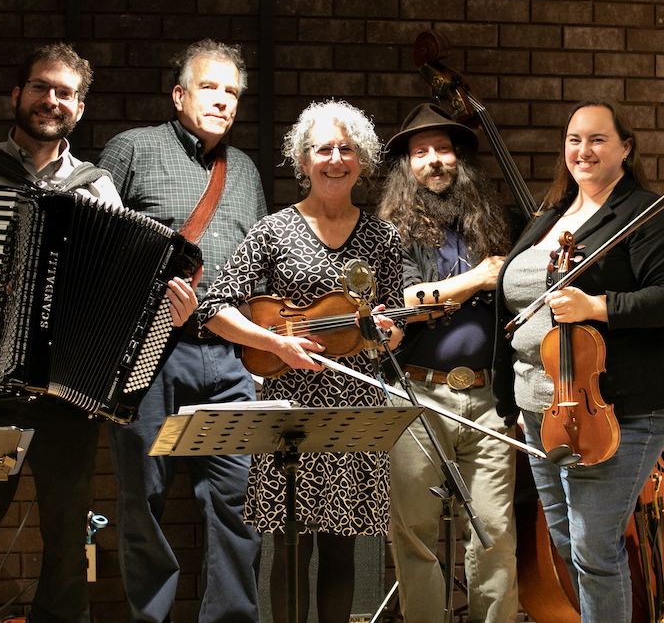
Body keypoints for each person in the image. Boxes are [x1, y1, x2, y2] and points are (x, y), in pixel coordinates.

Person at [0, 43, 196, 623]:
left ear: (80, 107)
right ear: (17, 95)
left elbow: (124, 295)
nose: (52, 100)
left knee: (68, 548)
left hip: (65, 401)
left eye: (66, 93)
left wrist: (164, 316)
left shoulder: (97, 188)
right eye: (41, 88)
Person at [197, 100, 403, 623]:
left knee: (340, 545)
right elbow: (212, 307)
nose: (335, 159)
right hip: (289, 401)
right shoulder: (274, 230)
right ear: (303, 159)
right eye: (323, 149)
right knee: (290, 544)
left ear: (363, 159)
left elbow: (395, 328)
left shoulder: (383, 238)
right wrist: (273, 345)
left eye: (346, 149)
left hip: (355, 399)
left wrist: (385, 334)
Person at [492, 100, 664, 623]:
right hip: (541, 404)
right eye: (574, 139)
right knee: (566, 537)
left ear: (626, 148)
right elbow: (514, 299)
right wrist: (513, 395)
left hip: (613, 405)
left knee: (594, 546)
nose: (584, 150)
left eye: (598, 139)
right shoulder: (549, 216)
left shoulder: (648, 215)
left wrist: (596, 306)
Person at [97, 39, 266, 623]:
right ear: (179, 95)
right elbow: (97, 248)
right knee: (142, 499)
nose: (222, 101)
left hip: (229, 360)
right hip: (148, 355)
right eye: (209, 88)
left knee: (240, 503)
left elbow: (254, 266)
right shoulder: (132, 150)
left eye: (232, 93)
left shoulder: (242, 169)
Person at [376, 103, 519, 623]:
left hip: (487, 398)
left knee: (494, 528)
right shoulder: (389, 233)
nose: (434, 160)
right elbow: (405, 302)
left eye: (443, 150)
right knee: (413, 531)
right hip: (417, 394)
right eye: (421, 152)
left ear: (459, 158)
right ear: (406, 166)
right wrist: (479, 278)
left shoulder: (493, 222)